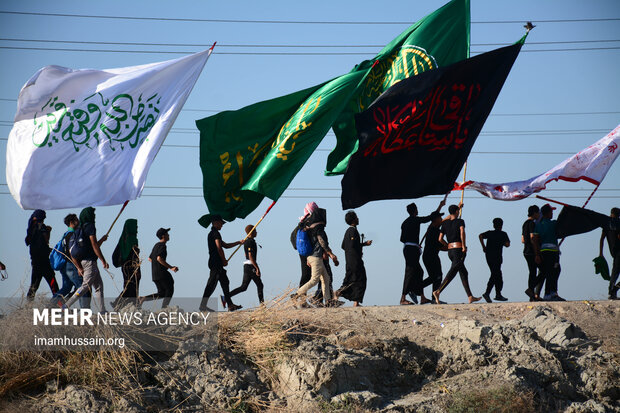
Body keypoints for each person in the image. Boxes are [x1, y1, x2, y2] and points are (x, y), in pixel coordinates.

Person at [292, 203, 339, 307]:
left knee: (326, 279)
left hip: (313, 256)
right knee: (314, 279)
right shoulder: (316, 225)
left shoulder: (306, 224)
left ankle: (328, 301)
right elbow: (321, 240)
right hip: (316, 257)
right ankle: (296, 295)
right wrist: (330, 253)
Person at [400, 200, 446, 305]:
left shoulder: (405, 223)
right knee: (409, 272)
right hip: (412, 250)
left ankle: (422, 297)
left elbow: (402, 239)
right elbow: (431, 217)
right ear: (415, 210)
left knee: (419, 272)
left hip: (409, 248)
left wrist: (414, 243)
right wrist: (440, 205)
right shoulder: (416, 220)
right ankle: (403, 298)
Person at [433, 204, 481, 304]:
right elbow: (462, 232)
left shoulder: (445, 224)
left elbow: (440, 239)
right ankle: (438, 291)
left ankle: (470, 296)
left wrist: (448, 245)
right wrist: (464, 245)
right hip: (458, 250)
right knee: (453, 270)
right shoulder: (460, 221)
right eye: (457, 211)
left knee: (463, 272)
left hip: (450, 251)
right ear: (456, 212)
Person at [64, 207, 108, 313]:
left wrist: (79, 267)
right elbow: (94, 245)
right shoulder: (90, 226)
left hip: (85, 262)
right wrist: (103, 260)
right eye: (93, 214)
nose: (95, 216)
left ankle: (102, 310)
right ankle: (66, 306)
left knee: (99, 286)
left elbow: (73, 251)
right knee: (85, 286)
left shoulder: (78, 230)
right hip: (90, 263)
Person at [199, 215, 243, 312]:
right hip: (216, 262)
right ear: (215, 223)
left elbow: (225, 245)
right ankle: (202, 305)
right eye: (221, 223)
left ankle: (230, 304)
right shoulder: (215, 233)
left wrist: (238, 242)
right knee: (211, 284)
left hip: (216, 262)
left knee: (225, 282)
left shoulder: (213, 233)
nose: (222, 225)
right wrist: (223, 260)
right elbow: (219, 247)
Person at [51, 214, 89, 308]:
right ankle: (85, 310)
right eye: (76, 220)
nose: (78, 221)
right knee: (82, 287)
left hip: (65, 266)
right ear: (71, 222)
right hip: (72, 265)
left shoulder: (65, 235)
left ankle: (50, 304)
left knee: (66, 288)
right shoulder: (72, 235)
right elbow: (73, 252)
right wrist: (79, 266)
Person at [335, 211, 371, 307]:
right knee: (360, 279)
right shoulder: (352, 231)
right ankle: (352, 300)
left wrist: (362, 245)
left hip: (349, 260)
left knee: (351, 279)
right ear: (354, 220)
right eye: (356, 217)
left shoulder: (349, 231)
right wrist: (361, 247)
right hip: (355, 260)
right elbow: (352, 246)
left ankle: (340, 293)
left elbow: (344, 246)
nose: (358, 218)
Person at [532, 203, 564, 301]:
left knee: (549, 271)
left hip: (543, 252)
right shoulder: (553, 224)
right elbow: (562, 227)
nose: (552, 214)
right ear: (547, 213)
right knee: (554, 271)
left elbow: (535, 240)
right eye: (551, 212)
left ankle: (549, 293)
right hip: (552, 252)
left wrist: (537, 254)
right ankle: (550, 293)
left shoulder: (538, 225)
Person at [140, 227, 178, 309]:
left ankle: (143, 298)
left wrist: (157, 266)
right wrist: (171, 267)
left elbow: (150, 259)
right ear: (163, 236)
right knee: (169, 289)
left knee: (162, 293)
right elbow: (159, 258)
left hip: (155, 274)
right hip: (162, 273)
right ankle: (164, 308)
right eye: (167, 234)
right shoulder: (162, 246)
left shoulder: (156, 245)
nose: (169, 235)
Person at [25, 209, 59, 300]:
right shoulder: (40, 227)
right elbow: (46, 240)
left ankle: (27, 307)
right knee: (53, 284)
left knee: (34, 286)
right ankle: (60, 306)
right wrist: (48, 231)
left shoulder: (31, 228)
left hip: (36, 262)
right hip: (43, 262)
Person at [229, 225, 264, 304]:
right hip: (251, 266)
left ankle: (226, 297)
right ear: (252, 232)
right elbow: (250, 256)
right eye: (255, 230)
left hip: (247, 266)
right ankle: (262, 306)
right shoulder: (249, 242)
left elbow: (246, 255)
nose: (256, 232)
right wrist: (257, 268)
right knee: (260, 285)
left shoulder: (248, 242)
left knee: (244, 287)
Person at [479, 218, 511, 303]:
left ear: (494, 225)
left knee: (497, 275)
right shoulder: (503, 234)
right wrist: (502, 242)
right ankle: (488, 293)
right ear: (501, 225)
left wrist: (483, 247)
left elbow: (480, 236)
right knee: (495, 274)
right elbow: (507, 244)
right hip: (497, 257)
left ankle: (498, 294)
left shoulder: (490, 233)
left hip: (489, 256)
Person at [112, 219, 141, 309]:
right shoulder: (132, 239)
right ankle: (121, 303)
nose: (137, 228)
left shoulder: (123, 239)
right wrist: (137, 269)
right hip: (131, 266)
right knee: (132, 285)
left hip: (124, 266)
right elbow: (134, 255)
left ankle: (122, 304)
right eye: (135, 226)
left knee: (128, 285)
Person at [422, 210, 448, 304]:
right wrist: (452, 246)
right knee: (437, 276)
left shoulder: (432, 228)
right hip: (431, 256)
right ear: (435, 219)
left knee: (434, 277)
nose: (441, 219)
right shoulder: (434, 231)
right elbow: (442, 247)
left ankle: (416, 289)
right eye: (440, 218)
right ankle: (416, 288)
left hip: (430, 256)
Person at [523, 205, 544, 301]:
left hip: (526, 251)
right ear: (534, 213)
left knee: (532, 272)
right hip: (532, 252)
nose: (539, 215)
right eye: (538, 213)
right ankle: (530, 289)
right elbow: (533, 238)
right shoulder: (532, 224)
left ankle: (532, 295)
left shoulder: (525, 224)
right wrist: (537, 254)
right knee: (544, 271)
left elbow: (523, 239)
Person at [599, 207, 620, 300]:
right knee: (615, 271)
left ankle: (612, 290)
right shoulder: (618, 223)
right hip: (619, 251)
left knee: (615, 271)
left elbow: (602, 239)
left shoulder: (606, 224)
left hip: (614, 252)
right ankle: (613, 290)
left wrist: (601, 253)